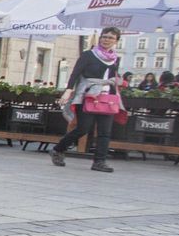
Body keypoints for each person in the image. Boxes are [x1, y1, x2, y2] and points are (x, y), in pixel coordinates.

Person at [51, 26, 125, 173]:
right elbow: (75, 74)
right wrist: (68, 91)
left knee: (105, 131)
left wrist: (118, 81)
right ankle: (59, 149)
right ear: (100, 38)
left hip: (108, 97)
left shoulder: (115, 59)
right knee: (83, 128)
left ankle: (99, 162)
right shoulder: (88, 55)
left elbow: (112, 77)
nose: (107, 40)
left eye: (111, 37)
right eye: (104, 36)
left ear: (116, 41)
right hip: (87, 95)